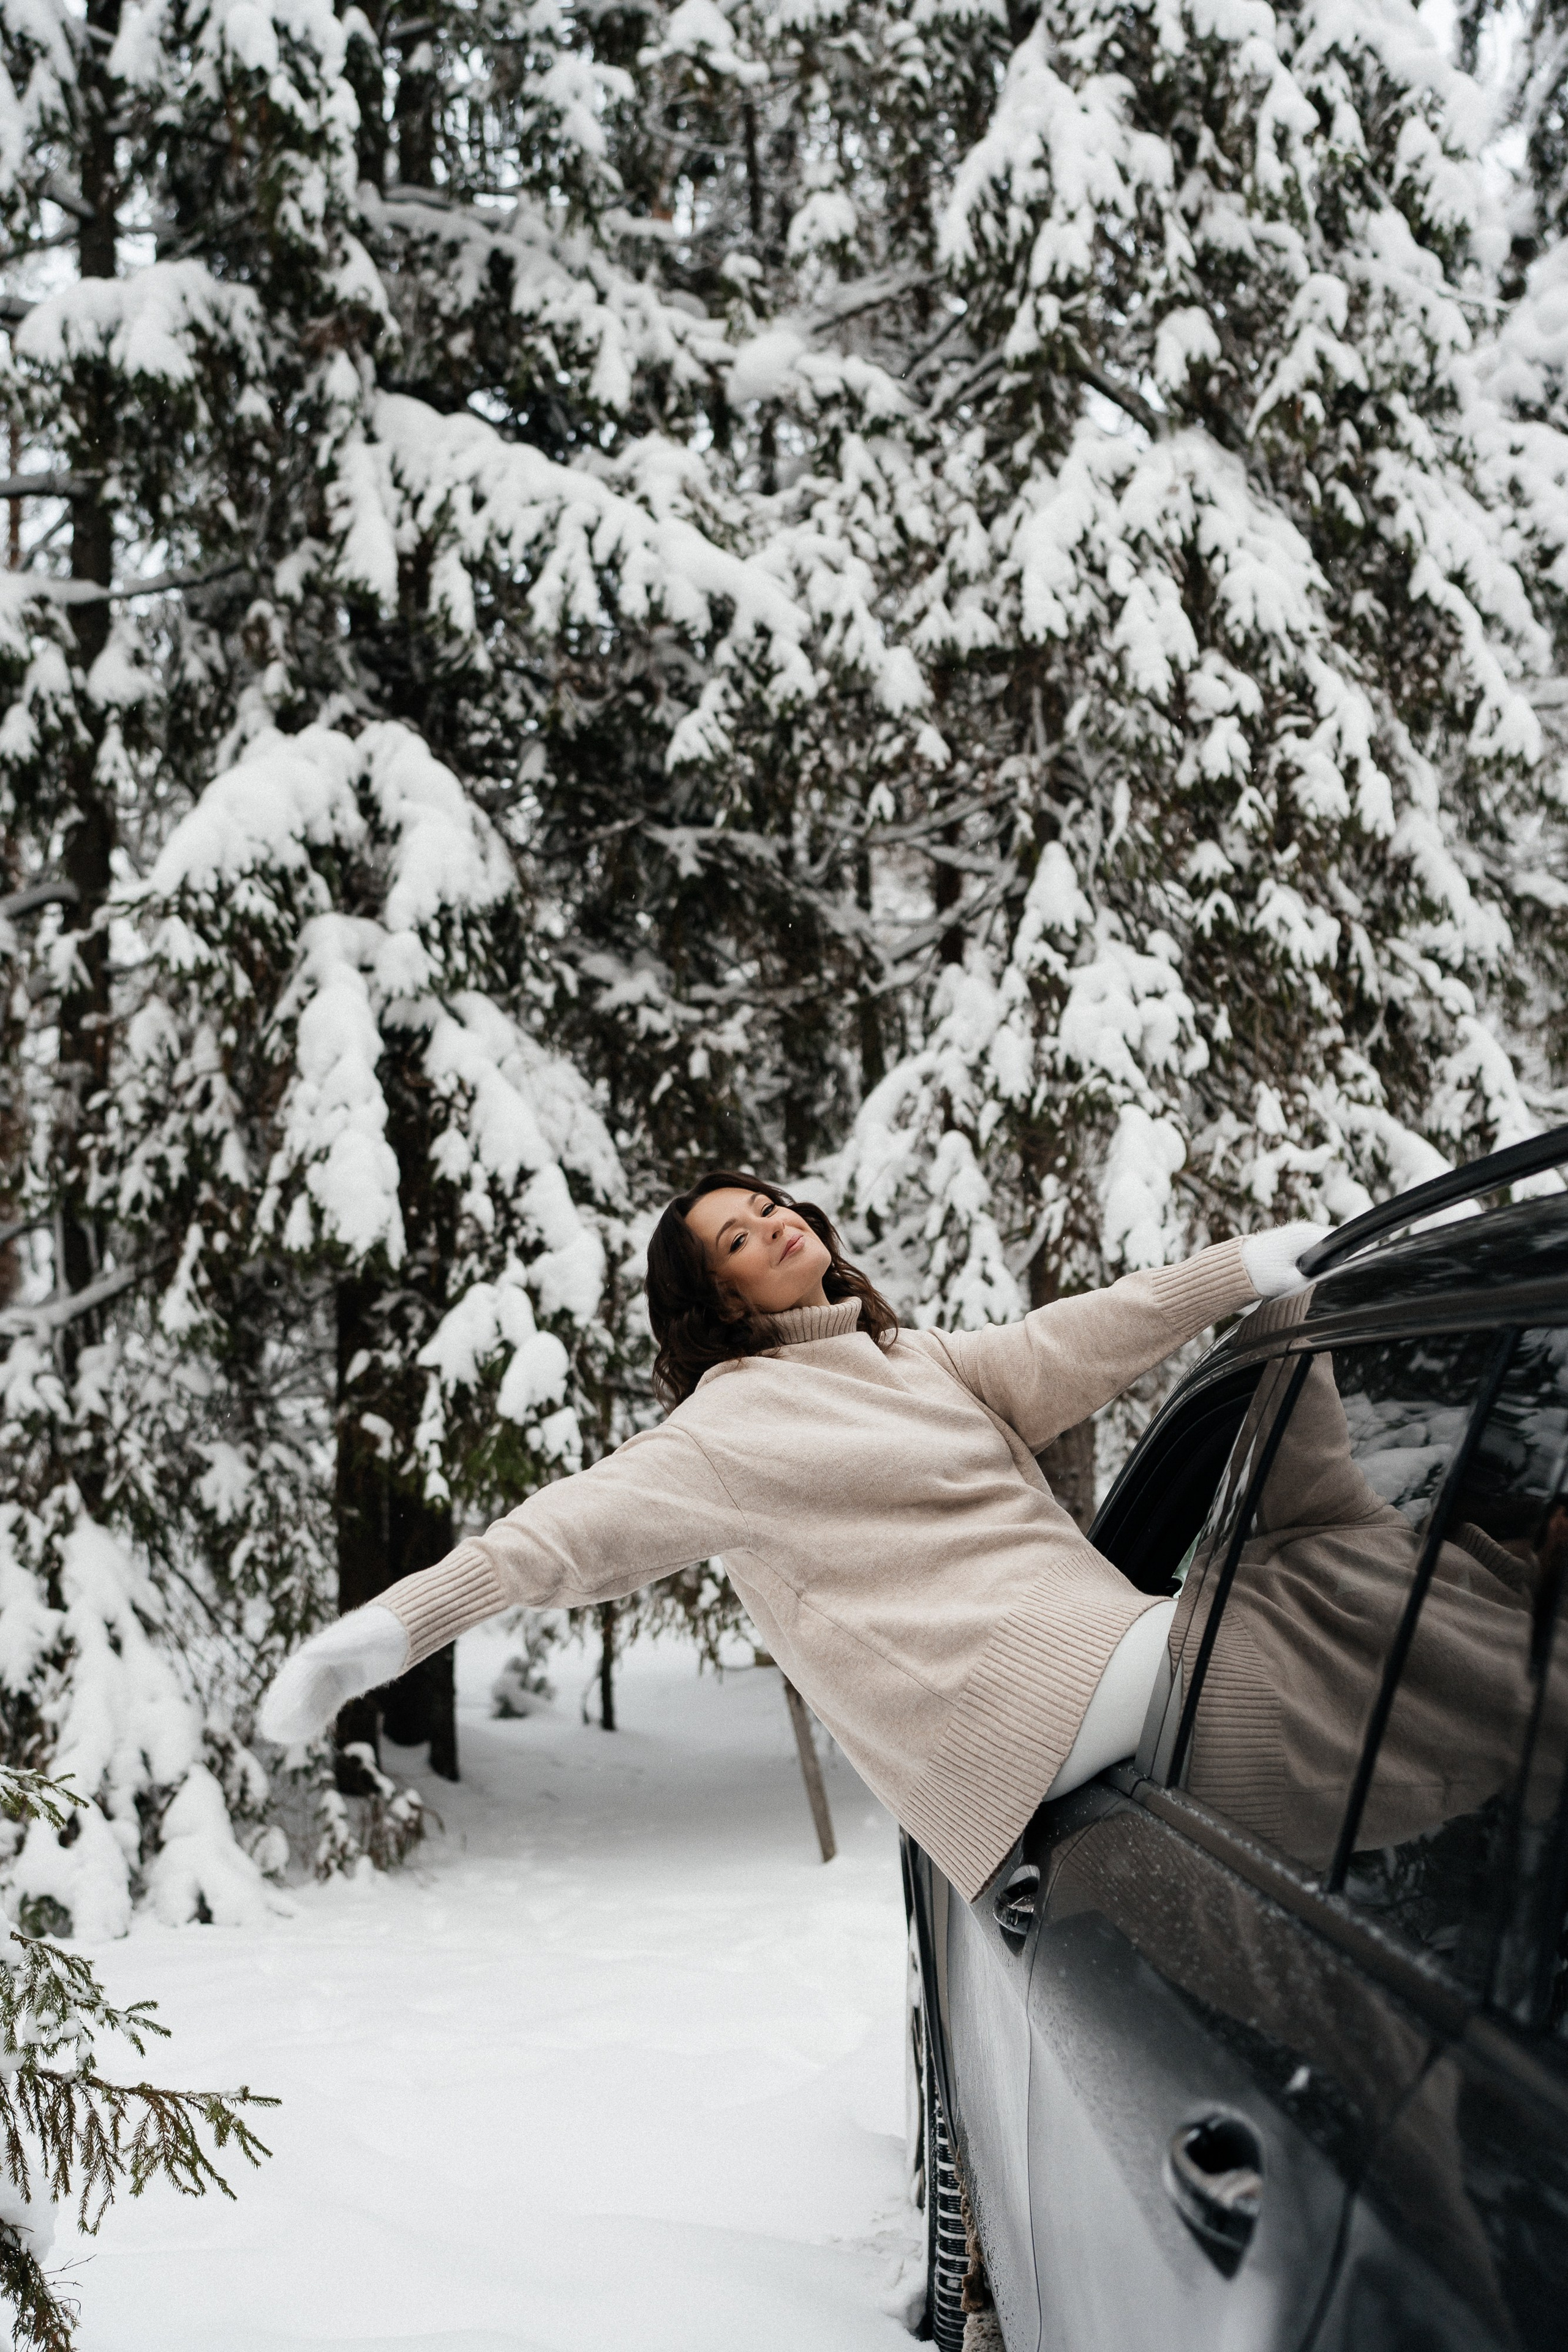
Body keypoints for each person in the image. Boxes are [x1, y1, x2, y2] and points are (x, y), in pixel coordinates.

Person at [259, 1174, 1322, 1899]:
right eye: (738, 1237)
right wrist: (391, 1632)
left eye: (767, 1206)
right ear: (721, 1297)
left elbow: (1065, 1342)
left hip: (1090, 1659)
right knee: (1317, 1639)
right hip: (1003, 1707)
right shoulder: (735, 1421)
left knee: (1363, 1628)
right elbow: (563, 1531)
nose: (772, 1223)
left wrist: (1232, 1274)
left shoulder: (911, 1360)